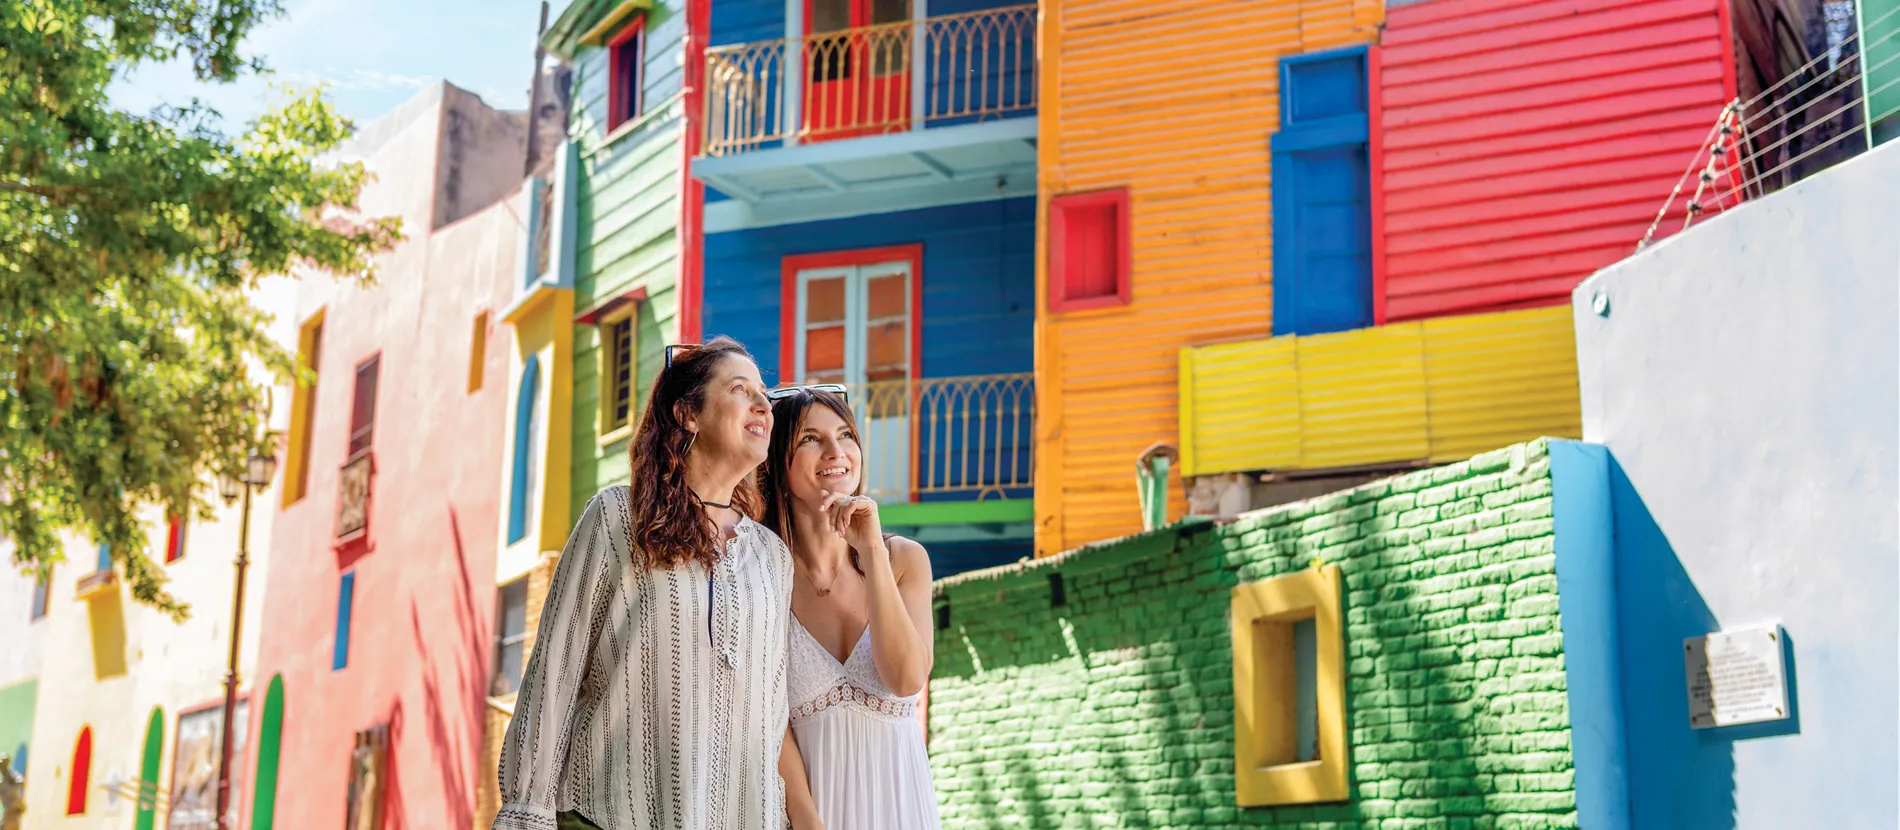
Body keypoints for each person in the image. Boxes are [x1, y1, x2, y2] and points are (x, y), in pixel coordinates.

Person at [495, 337, 793, 830]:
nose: (763, 403)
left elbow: (769, 719)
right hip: (605, 815)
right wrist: (526, 814)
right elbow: (555, 674)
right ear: (687, 414)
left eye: (764, 393)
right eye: (740, 389)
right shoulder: (617, 517)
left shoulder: (771, 556)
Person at [760, 387, 939, 830]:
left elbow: (907, 679)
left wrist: (873, 551)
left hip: (903, 808)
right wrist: (807, 820)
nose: (836, 452)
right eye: (809, 439)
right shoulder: (760, 576)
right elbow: (766, 720)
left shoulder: (904, 560)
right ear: (777, 461)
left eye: (845, 435)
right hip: (812, 816)